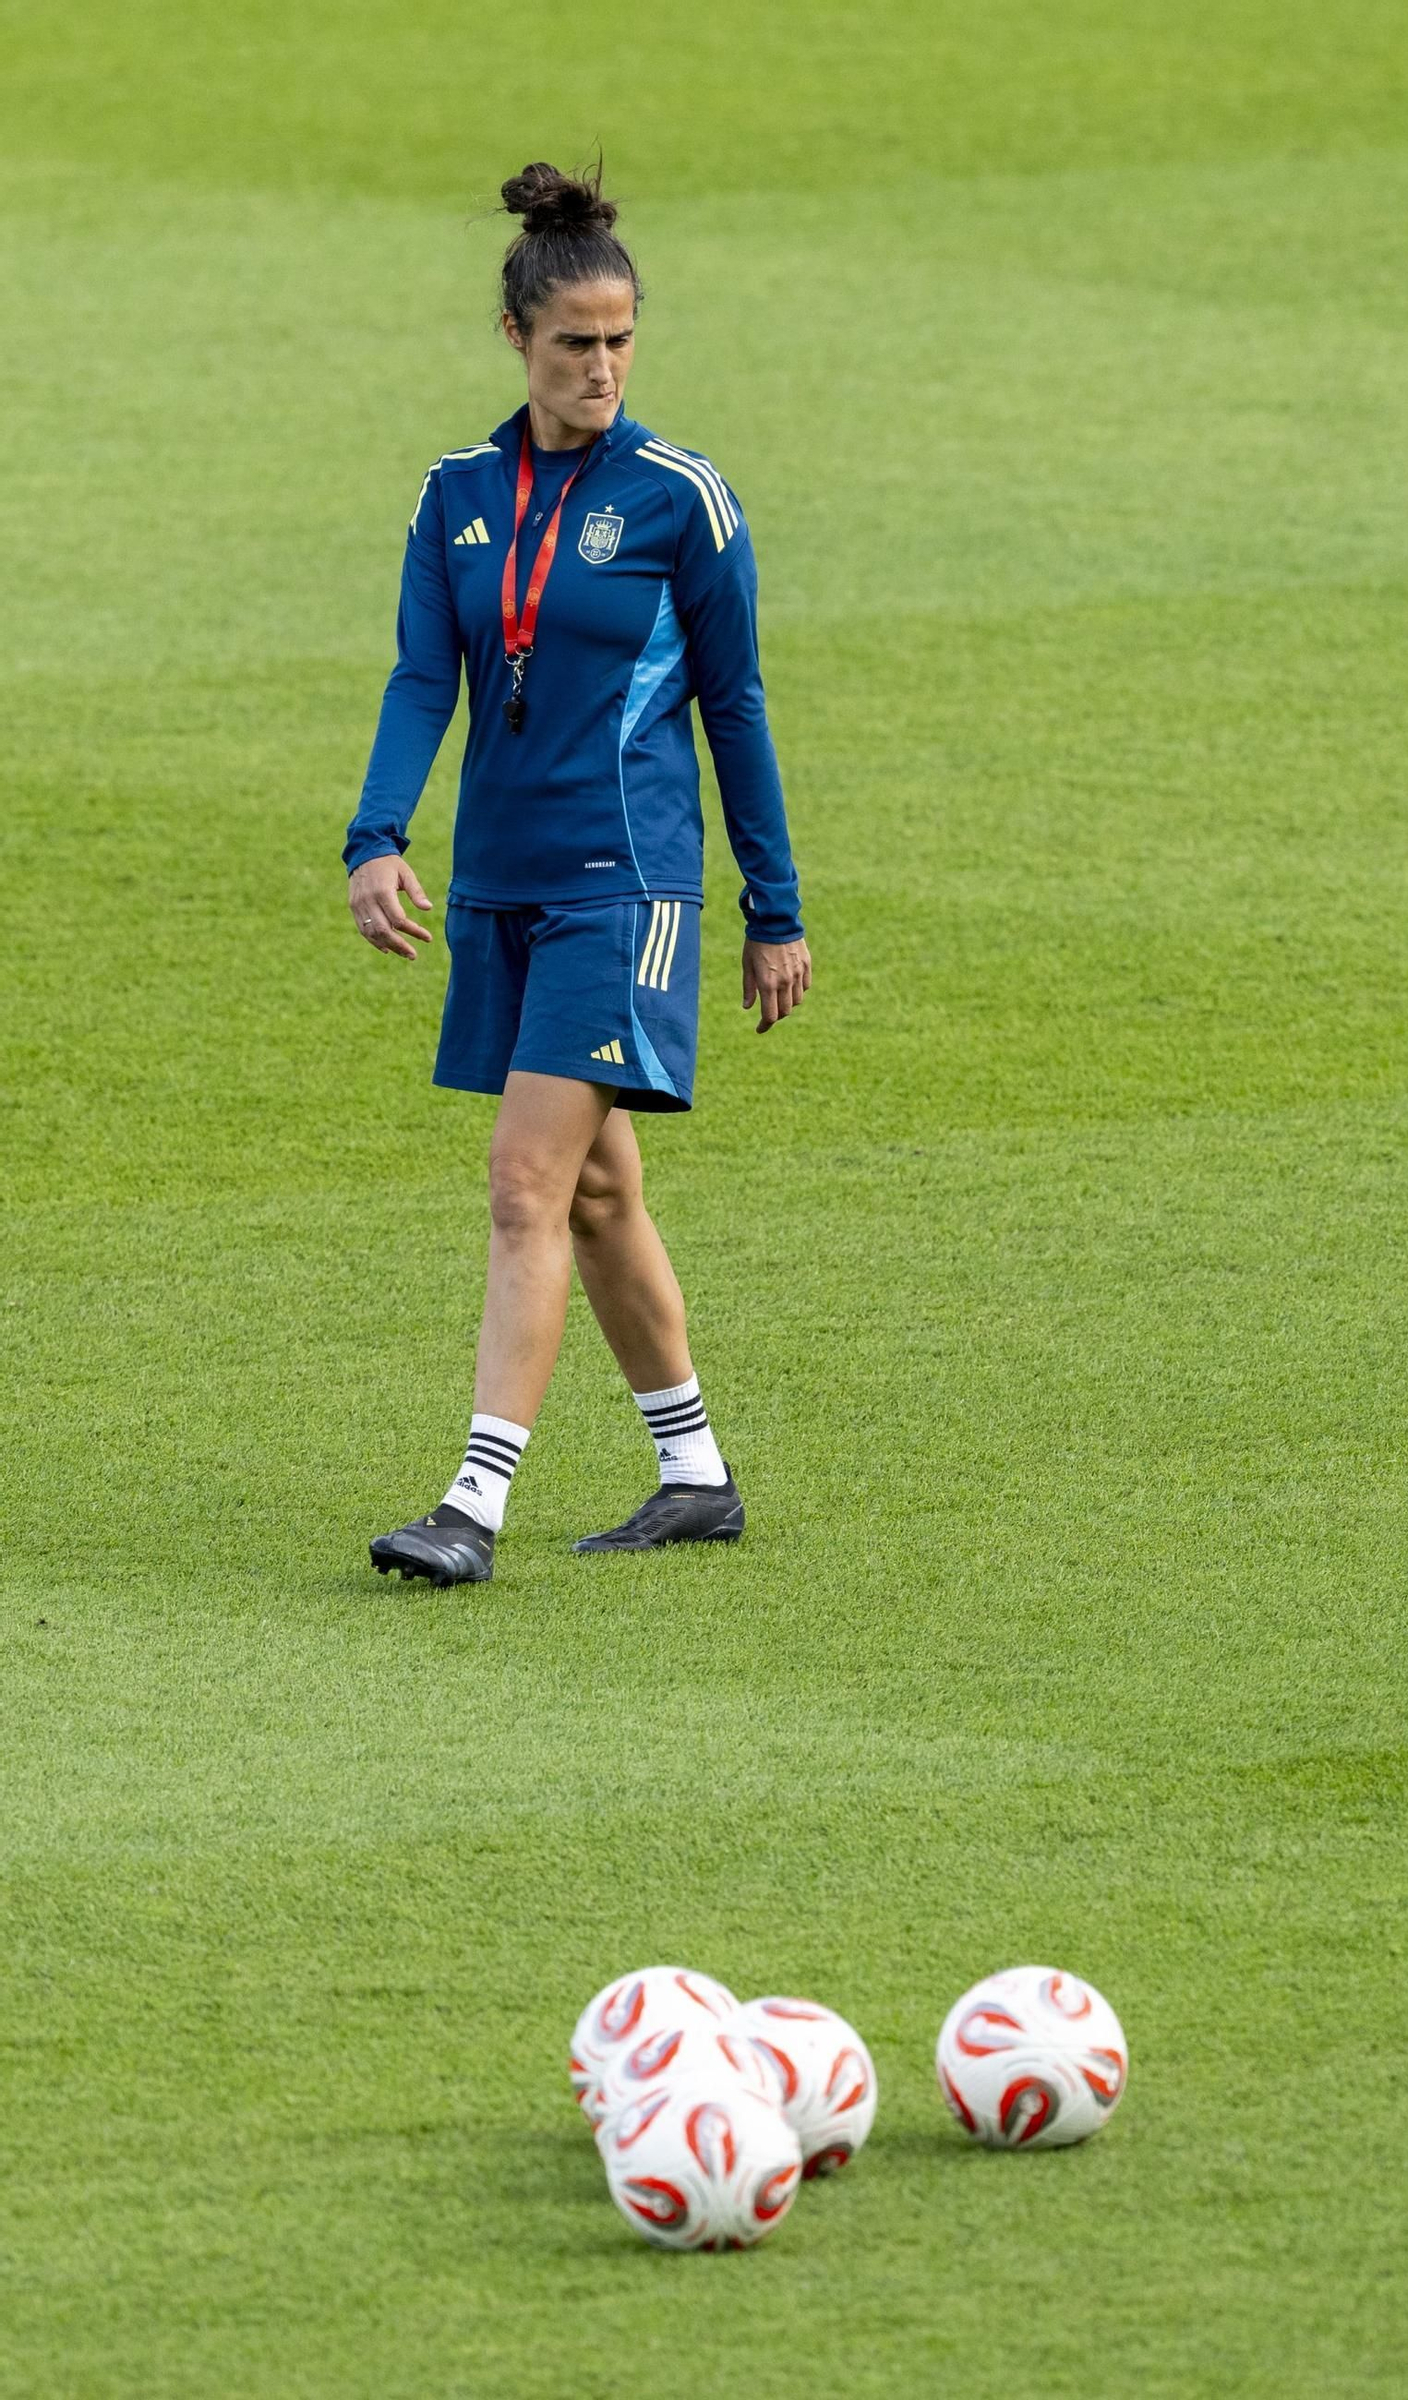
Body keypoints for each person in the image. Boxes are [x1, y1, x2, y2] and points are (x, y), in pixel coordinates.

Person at [343, 160, 810, 1584]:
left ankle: (472, 1506)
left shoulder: (683, 501)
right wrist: (378, 836)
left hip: (630, 886)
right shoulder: (458, 494)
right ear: (518, 342)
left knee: (523, 1180)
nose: (601, 367)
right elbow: (429, 674)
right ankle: (695, 1473)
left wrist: (770, 906)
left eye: (620, 341)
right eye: (574, 344)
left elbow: (735, 705)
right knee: (600, 1193)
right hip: (501, 884)